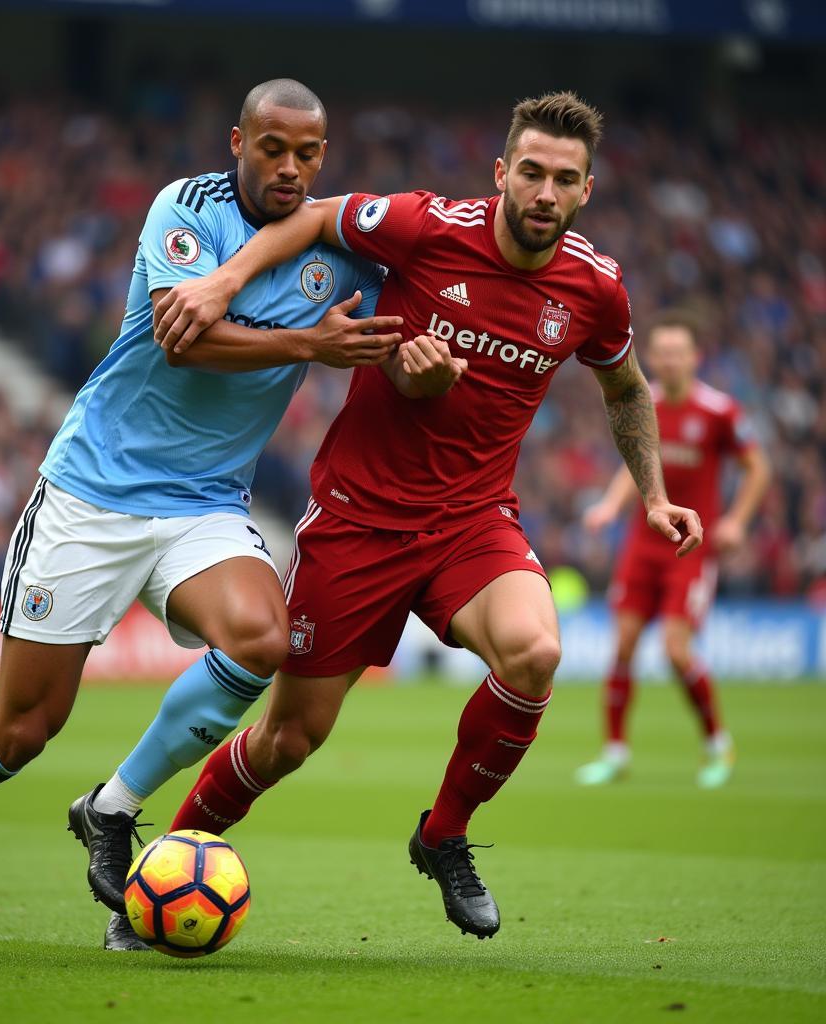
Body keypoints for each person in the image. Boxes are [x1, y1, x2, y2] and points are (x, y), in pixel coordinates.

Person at [0, 78, 410, 957]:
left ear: (324, 156)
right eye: (272, 148)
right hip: (91, 496)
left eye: (307, 153)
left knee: (264, 637)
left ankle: (112, 805)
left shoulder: (346, 251)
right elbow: (185, 337)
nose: (290, 167)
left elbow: (395, 342)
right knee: (23, 728)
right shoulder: (185, 210)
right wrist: (308, 344)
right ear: (237, 142)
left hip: (204, 506)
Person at [152, 91, 703, 940]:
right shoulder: (423, 224)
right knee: (289, 741)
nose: (544, 193)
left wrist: (657, 495)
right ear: (501, 174)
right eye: (530, 173)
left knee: (535, 652)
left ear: (587, 190)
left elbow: (625, 388)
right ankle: (178, 856)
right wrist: (225, 281)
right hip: (358, 519)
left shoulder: (595, 289)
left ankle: (444, 833)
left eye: (564, 179)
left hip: (472, 521)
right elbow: (315, 220)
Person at [576, 312, 768, 788]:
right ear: (651, 356)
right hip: (643, 545)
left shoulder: (719, 411)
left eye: (677, 352)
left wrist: (737, 522)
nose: (668, 360)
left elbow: (758, 468)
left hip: (691, 549)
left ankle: (717, 744)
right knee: (622, 645)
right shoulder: (646, 404)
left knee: (676, 651)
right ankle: (615, 752)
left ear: (694, 357)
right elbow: (635, 466)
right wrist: (609, 505)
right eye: (660, 352)